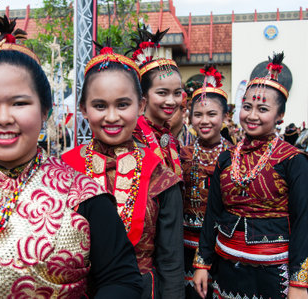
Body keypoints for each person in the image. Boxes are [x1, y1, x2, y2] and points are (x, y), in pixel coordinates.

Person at [0, 16, 142, 298]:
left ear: (45, 111)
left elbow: (120, 280)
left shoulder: (85, 197)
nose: (4, 118)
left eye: (19, 103)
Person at [61, 45, 184, 298]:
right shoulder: (62, 170)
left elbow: (171, 264)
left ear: (140, 106)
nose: (112, 116)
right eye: (99, 106)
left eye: (123, 104)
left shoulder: (161, 176)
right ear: (83, 109)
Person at [193, 53, 308, 299]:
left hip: (273, 272)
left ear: (280, 116)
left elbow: (302, 223)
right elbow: (213, 213)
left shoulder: (293, 160)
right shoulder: (227, 158)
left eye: (263, 109)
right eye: (247, 107)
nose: (252, 115)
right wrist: (202, 263)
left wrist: (298, 283)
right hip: (226, 267)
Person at [180, 65, 233, 298]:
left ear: (224, 117)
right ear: (190, 118)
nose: (204, 121)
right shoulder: (181, 154)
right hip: (184, 245)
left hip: (221, 246)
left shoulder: (235, 157)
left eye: (212, 114)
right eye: (198, 114)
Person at [130, 25, 184, 177]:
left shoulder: (171, 139)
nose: (171, 101)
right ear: (143, 96)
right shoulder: (132, 138)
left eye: (177, 93)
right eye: (162, 93)